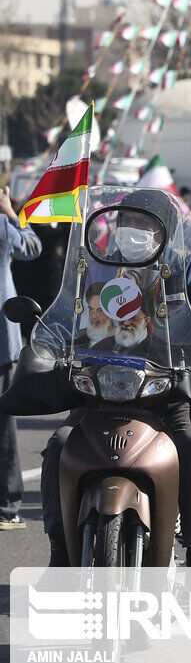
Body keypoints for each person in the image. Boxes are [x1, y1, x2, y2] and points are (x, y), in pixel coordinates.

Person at [41, 189, 191, 568]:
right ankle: (58, 551)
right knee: (58, 445)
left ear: (163, 231)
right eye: (128, 222)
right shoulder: (93, 267)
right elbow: (65, 312)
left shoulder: (184, 272)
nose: (135, 231)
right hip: (98, 392)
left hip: (165, 392)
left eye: (145, 224)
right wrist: (48, 345)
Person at [0, 185, 43, 530]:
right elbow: (32, 247)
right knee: (3, 429)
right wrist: (13, 215)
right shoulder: (2, 226)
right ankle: (7, 506)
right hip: (2, 342)